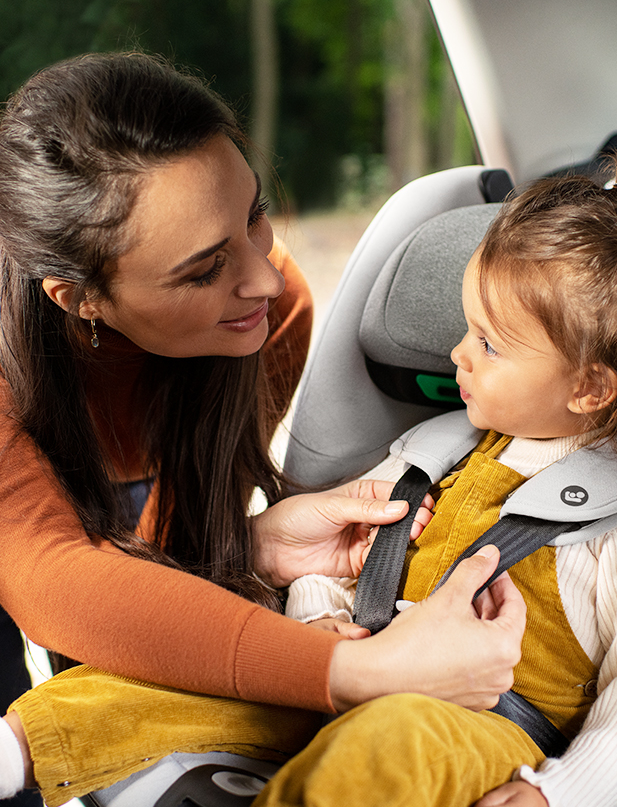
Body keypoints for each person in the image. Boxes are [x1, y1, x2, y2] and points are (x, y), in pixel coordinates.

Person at [3, 151, 617, 807]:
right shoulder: (435, 451)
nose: (457, 351)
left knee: (387, 747)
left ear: (588, 388)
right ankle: (12, 753)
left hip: (478, 723)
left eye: (488, 343)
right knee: (138, 687)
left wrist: (564, 792)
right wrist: (317, 622)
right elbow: (339, 564)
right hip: (360, 667)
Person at [0, 52, 526, 800]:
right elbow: (56, 579)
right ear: (79, 298)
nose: (268, 278)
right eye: (203, 269)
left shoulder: (270, 316)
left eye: (254, 215)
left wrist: (252, 547)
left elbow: (154, 581)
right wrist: (357, 675)